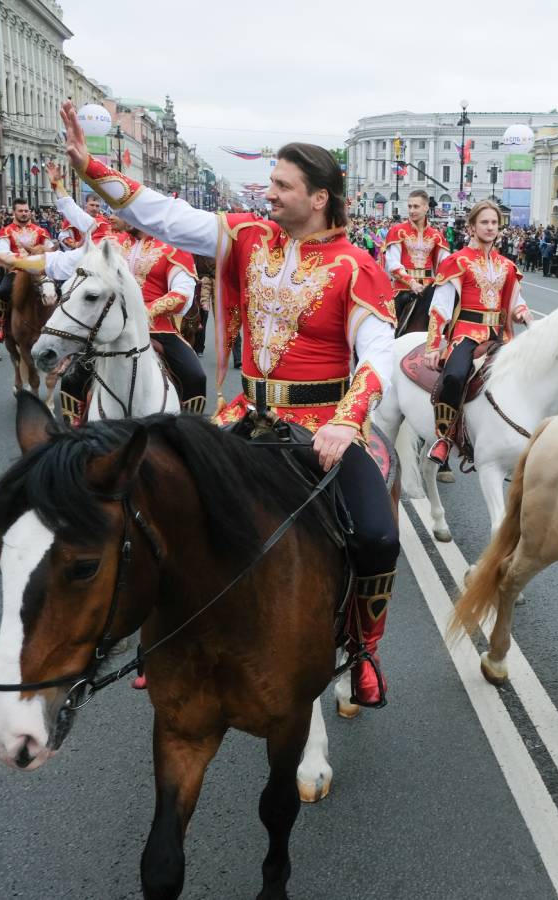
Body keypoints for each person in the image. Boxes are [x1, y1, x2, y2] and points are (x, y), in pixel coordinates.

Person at [58, 99, 400, 708]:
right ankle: (159, 635)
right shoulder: (245, 235)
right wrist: (91, 169)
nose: (268, 194)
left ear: (318, 197)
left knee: (376, 535)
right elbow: (166, 215)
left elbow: (378, 355)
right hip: (247, 414)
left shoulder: (358, 268)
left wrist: (347, 423)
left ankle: (362, 645)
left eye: (281, 185)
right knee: (159, 499)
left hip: (323, 426)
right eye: (269, 183)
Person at [0, 163, 207, 423]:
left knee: (195, 376)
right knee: (73, 381)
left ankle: (188, 438)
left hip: (159, 328)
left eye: (122, 211)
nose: (113, 215)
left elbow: (183, 294)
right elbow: (61, 261)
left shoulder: (173, 248)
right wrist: (12, 259)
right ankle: (78, 438)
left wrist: (142, 311)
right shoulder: (111, 242)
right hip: (109, 326)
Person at [425, 200, 530, 465]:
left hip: (500, 336)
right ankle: (445, 437)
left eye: (494, 222)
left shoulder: (507, 266)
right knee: (454, 376)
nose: (490, 227)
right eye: (484, 222)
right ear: (472, 227)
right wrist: (434, 345)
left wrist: (523, 314)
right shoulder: (456, 262)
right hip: (466, 334)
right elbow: (440, 307)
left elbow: (515, 301)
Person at [383, 189, 449, 337]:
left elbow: (445, 264)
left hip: (429, 288)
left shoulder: (436, 236)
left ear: (426, 207)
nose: (412, 210)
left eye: (416, 206)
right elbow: (392, 264)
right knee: (388, 324)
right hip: (403, 289)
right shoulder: (397, 231)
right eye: (410, 206)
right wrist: (412, 283)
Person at [0, 199, 54, 343]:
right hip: (16, 272)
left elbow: (50, 249)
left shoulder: (40, 231)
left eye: (26, 211)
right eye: (21, 211)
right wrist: (23, 260)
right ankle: (3, 326)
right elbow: (2, 252)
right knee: (2, 292)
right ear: (14, 212)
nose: (24, 213)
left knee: (60, 289)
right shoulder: (6, 231)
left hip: (39, 272)